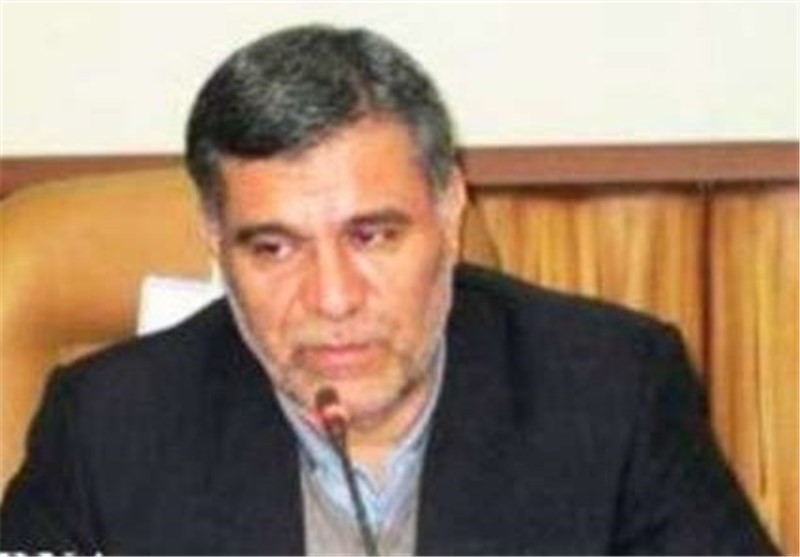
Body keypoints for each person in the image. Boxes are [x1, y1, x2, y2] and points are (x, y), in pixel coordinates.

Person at [0, 24, 778, 556]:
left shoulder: (612, 390)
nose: (333, 298)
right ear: (215, 239)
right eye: (274, 248)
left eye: (372, 236)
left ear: (449, 209)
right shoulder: (106, 426)